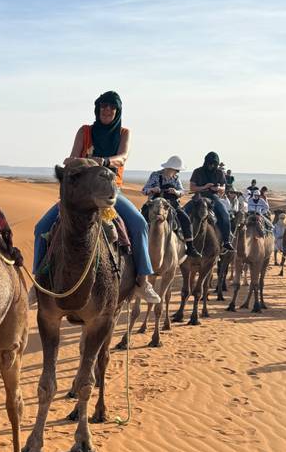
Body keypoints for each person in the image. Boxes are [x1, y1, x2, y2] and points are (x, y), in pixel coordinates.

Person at [33, 91, 161, 304]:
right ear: (97, 109)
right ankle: (38, 281)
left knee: (139, 224)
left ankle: (143, 280)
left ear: (117, 110)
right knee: (42, 227)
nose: (107, 110)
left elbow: (123, 157)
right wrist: (73, 161)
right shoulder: (85, 132)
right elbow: (74, 156)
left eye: (112, 107)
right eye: (103, 106)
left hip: (109, 191)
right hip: (82, 190)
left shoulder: (124, 133)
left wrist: (103, 161)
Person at [142, 156, 202, 258]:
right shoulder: (155, 175)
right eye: (176, 170)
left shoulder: (176, 178)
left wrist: (176, 192)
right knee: (142, 217)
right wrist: (153, 189)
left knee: (185, 219)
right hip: (155, 203)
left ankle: (190, 247)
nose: (177, 172)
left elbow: (182, 191)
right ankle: (137, 243)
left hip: (172, 204)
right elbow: (144, 190)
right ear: (170, 168)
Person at [187, 151, 234, 251]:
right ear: (206, 162)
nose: (211, 165)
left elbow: (223, 188)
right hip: (198, 197)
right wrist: (205, 187)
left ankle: (226, 241)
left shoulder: (219, 173)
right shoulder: (197, 171)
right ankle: (181, 236)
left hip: (214, 197)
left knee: (225, 214)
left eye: (214, 164)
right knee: (183, 212)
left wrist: (217, 189)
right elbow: (192, 187)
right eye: (210, 163)